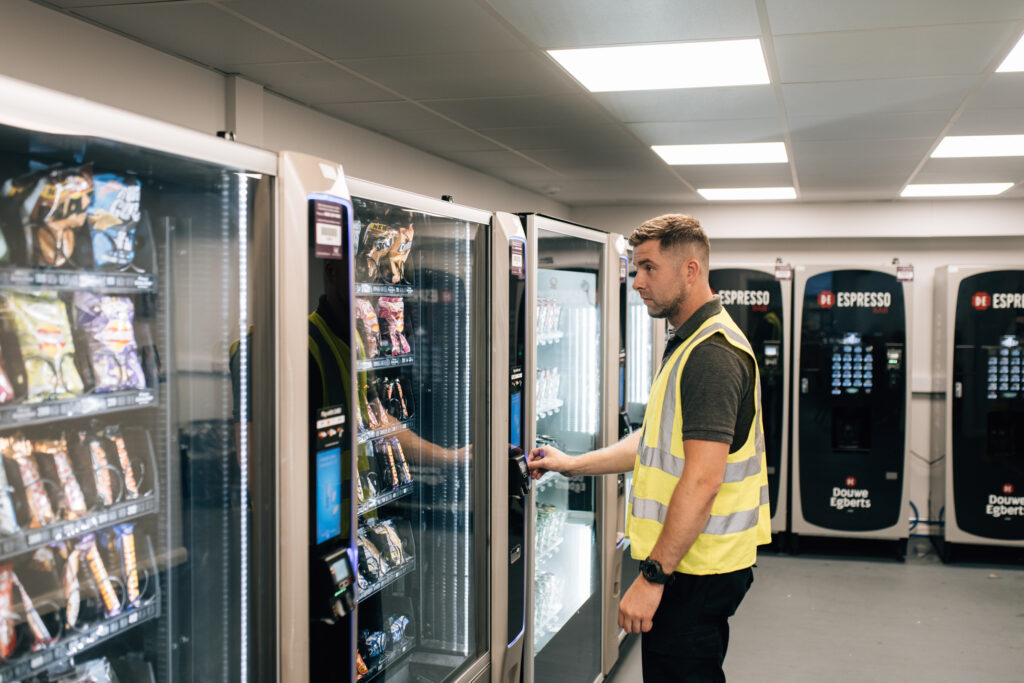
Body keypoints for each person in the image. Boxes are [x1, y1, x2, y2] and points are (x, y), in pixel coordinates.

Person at [527, 214, 769, 683]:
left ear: (690, 270)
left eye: (648, 268)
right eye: (635, 269)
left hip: (694, 571)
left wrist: (653, 577)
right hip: (692, 565)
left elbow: (703, 479)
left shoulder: (711, 355)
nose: (636, 282)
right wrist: (572, 465)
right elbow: (654, 441)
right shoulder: (689, 342)